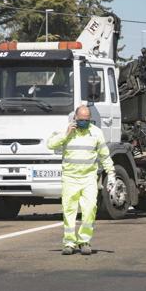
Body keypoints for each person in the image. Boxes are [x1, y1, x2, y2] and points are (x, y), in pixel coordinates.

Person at [47, 105, 115, 255]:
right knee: (69, 210)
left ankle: (84, 241)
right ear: (75, 118)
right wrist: (66, 134)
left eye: (86, 120)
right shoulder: (67, 131)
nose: (83, 122)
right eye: (81, 119)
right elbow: (50, 144)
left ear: (90, 119)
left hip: (89, 178)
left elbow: (104, 155)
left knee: (90, 209)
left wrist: (111, 174)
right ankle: (69, 243)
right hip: (70, 178)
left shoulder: (96, 133)